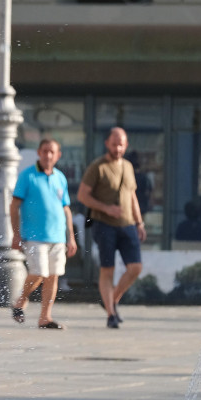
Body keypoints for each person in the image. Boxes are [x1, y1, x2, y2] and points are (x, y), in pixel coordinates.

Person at [77, 127, 146, 329]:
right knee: (108, 270)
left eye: (121, 144)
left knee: (135, 268)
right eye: (114, 144)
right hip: (103, 224)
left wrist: (139, 222)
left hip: (128, 224)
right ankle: (110, 314)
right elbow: (82, 195)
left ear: (126, 145)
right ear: (107, 143)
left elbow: (132, 196)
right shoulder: (97, 167)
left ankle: (111, 299)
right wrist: (106, 208)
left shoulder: (128, 166)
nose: (118, 148)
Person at [9, 139, 77, 330]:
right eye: (45, 151)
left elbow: (66, 209)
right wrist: (16, 234)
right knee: (39, 272)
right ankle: (20, 301)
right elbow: (14, 206)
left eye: (52, 152)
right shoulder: (27, 176)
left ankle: (45, 318)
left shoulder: (60, 177)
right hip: (33, 236)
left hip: (58, 237)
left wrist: (71, 237)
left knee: (52, 276)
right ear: (39, 152)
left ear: (58, 155)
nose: (48, 155)